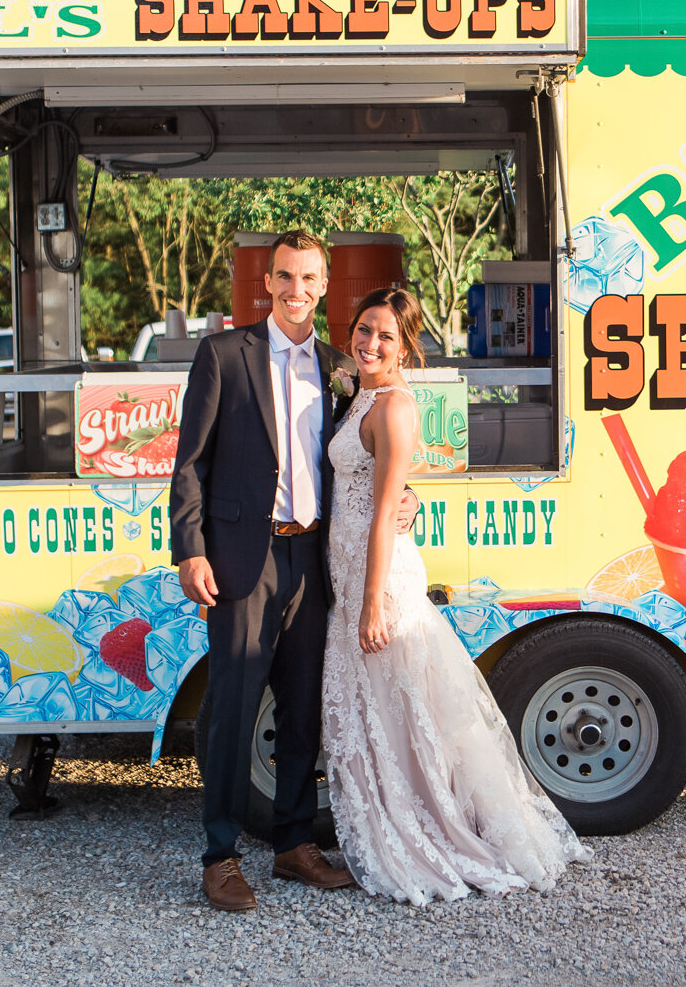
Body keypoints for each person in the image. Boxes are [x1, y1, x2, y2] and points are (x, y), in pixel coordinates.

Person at [167, 229, 415, 912]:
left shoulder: (343, 365)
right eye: (284, 277)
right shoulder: (223, 355)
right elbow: (190, 465)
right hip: (243, 561)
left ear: (324, 285)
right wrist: (190, 549)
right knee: (233, 713)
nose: (295, 290)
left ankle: (293, 846)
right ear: (266, 281)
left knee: (304, 710)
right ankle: (219, 856)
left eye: (308, 279)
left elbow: (369, 449)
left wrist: (405, 495)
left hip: (315, 559)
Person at [321, 286, 590, 906]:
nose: (370, 343)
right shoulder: (359, 390)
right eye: (364, 330)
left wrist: (369, 602)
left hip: (378, 573)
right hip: (350, 565)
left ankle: (429, 830)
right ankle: (394, 814)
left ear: (405, 345)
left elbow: (387, 507)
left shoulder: (393, 408)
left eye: (386, 336)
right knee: (382, 709)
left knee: (405, 708)